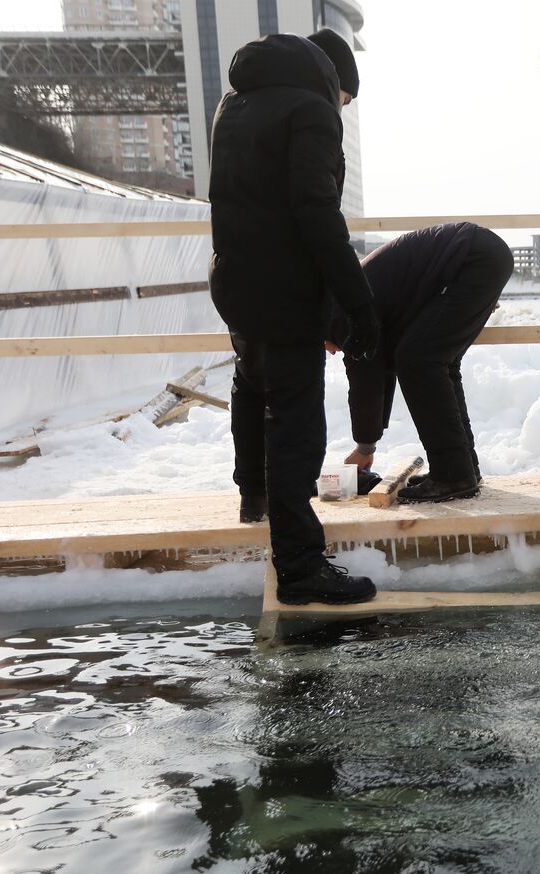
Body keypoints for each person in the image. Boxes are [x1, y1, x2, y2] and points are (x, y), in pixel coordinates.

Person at [208, 28, 379, 606]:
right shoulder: (310, 110)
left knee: (251, 388)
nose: (341, 109)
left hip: (236, 282)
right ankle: (301, 568)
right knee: (297, 428)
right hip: (285, 291)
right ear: (332, 79)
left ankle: (252, 495)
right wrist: (356, 298)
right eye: (344, 98)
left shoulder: (234, 105)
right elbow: (315, 211)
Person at [329, 223, 514, 504]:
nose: (329, 352)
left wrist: (365, 448)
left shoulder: (340, 314)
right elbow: (377, 366)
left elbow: (365, 378)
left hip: (472, 259)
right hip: (479, 255)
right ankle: (462, 469)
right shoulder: (344, 302)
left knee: (420, 360)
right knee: (436, 362)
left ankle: (453, 475)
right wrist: (368, 441)